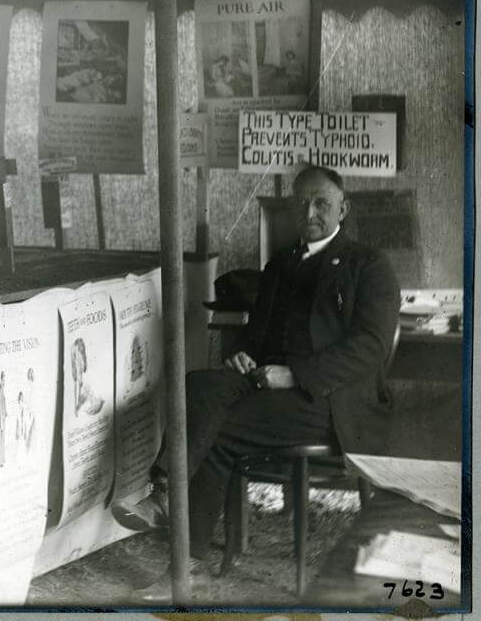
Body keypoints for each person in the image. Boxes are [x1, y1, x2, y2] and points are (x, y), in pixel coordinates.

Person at [111, 165, 399, 601]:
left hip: (331, 402)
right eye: (301, 203)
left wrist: (295, 374)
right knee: (197, 387)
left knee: (218, 430)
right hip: (269, 384)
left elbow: (370, 348)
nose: (310, 212)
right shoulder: (281, 265)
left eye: (322, 203)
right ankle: (165, 492)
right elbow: (256, 333)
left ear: (343, 208)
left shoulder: (369, 265)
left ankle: (183, 565)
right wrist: (242, 354)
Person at [0, 371, 8, 466]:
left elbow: (3, 403)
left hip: (3, 417)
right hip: (1, 417)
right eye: (3, 380)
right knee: (2, 438)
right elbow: (0, 405)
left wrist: (6, 412)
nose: (4, 382)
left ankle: (3, 457)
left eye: (4, 380)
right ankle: (1, 460)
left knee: (3, 437)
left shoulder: (2, 389)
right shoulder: (0, 390)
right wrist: (3, 414)